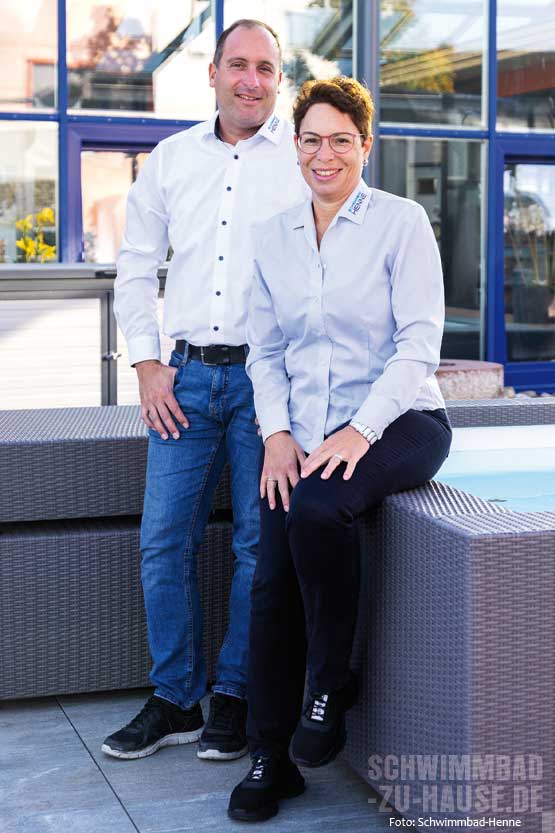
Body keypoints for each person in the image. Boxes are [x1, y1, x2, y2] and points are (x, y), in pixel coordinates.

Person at [228, 76, 453, 822]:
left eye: (341, 140)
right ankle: (269, 758)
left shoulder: (401, 222)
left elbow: (419, 345)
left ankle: (330, 682)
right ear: (295, 147)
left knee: (319, 510)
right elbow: (264, 351)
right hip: (302, 432)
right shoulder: (273, 236)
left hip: (401, 420)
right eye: (311, 140)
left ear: (366, 145)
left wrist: (360, 430)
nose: (325, 155)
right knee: (269, 580)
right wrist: (276, 434)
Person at [103, 19, 306, 762]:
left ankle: (234, 695)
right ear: (213, 73)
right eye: (238, 65)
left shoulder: (302, 159)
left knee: (258, 545)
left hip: (267, 382)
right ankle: (175, 698)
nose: (251, 80)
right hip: (182, 379)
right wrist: (144, 362)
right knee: (163, 540)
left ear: (278, 80)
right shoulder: (170, 159)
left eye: (266, 68)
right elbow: (135, 265)